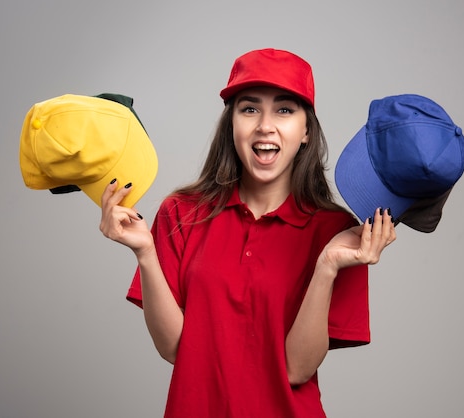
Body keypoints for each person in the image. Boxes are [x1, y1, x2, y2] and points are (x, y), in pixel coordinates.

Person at [99, 48, 396, 417]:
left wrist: (327, 267)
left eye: (285, 110)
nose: (265, 126)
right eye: (249, 108)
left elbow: (297, 369)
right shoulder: (180, 212)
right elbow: (175, 349)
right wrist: (145, 253)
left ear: (306, 131)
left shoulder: (337, 233)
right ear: (232, 124)